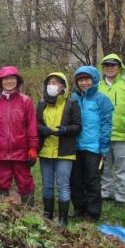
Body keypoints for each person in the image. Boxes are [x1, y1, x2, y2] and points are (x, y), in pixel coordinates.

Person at [0, 66, 38, 206]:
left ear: (17, 81)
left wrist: (33, 147)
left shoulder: (26, 101)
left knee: (25, 182)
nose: (9, 81)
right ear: (0, 82)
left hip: (21, 150)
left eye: (12, 78)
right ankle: (2, 214)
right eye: (5, 79)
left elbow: (32, 126)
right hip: (0, 151)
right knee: (1, 182)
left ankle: (28, 214)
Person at [36, 72, 81, 225]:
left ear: (63, 86)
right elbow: (36, 124)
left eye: (56, 82)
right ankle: (47, 214)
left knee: (63, 184)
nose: (52, 85)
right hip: (46, 150)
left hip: (65, 151)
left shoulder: (72, 104)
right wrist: (43, 130)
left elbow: (77, 126)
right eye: (50, 82)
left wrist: (65, 130)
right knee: (47, 184)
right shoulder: (41, 104)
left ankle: (63, 218)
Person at [70, 66, 114, 220]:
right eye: (81, 80)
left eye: (87, 79)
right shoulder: (72, 99)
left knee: (92, 180)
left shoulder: (102, 100)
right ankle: (79, 208)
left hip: (93, 147)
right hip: (75, 146)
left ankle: (93, 212)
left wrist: (103, 146)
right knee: (75, 179)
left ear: (94, 80)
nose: (84, 83)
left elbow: (106, 124)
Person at [97, 53, 125, 206]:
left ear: (119, 67)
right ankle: (106, 192)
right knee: (105, 167)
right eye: (107, 65)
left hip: (124, 134)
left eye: (113, 65)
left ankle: (122, 196)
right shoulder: (97, 86)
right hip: (102, 135)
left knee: (123, 169)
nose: (110, 68)